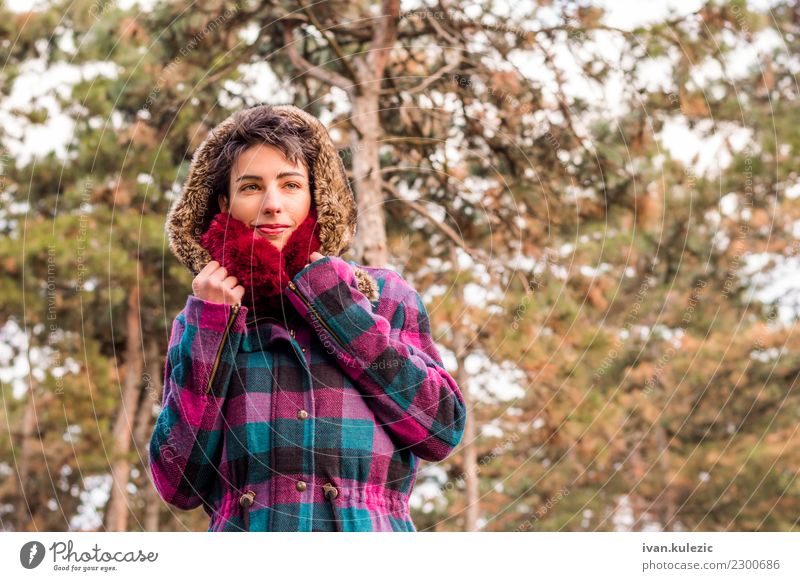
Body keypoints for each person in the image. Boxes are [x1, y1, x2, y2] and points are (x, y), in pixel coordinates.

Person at [148, 103, 466, 532]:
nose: (272, 205)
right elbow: (178, 484)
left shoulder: (382, 295)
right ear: (225, 203)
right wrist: (211, 328)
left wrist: (335, 304)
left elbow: (441, 427)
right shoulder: (201, 320)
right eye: (251, 187)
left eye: (291, 184)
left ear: (317, 195)